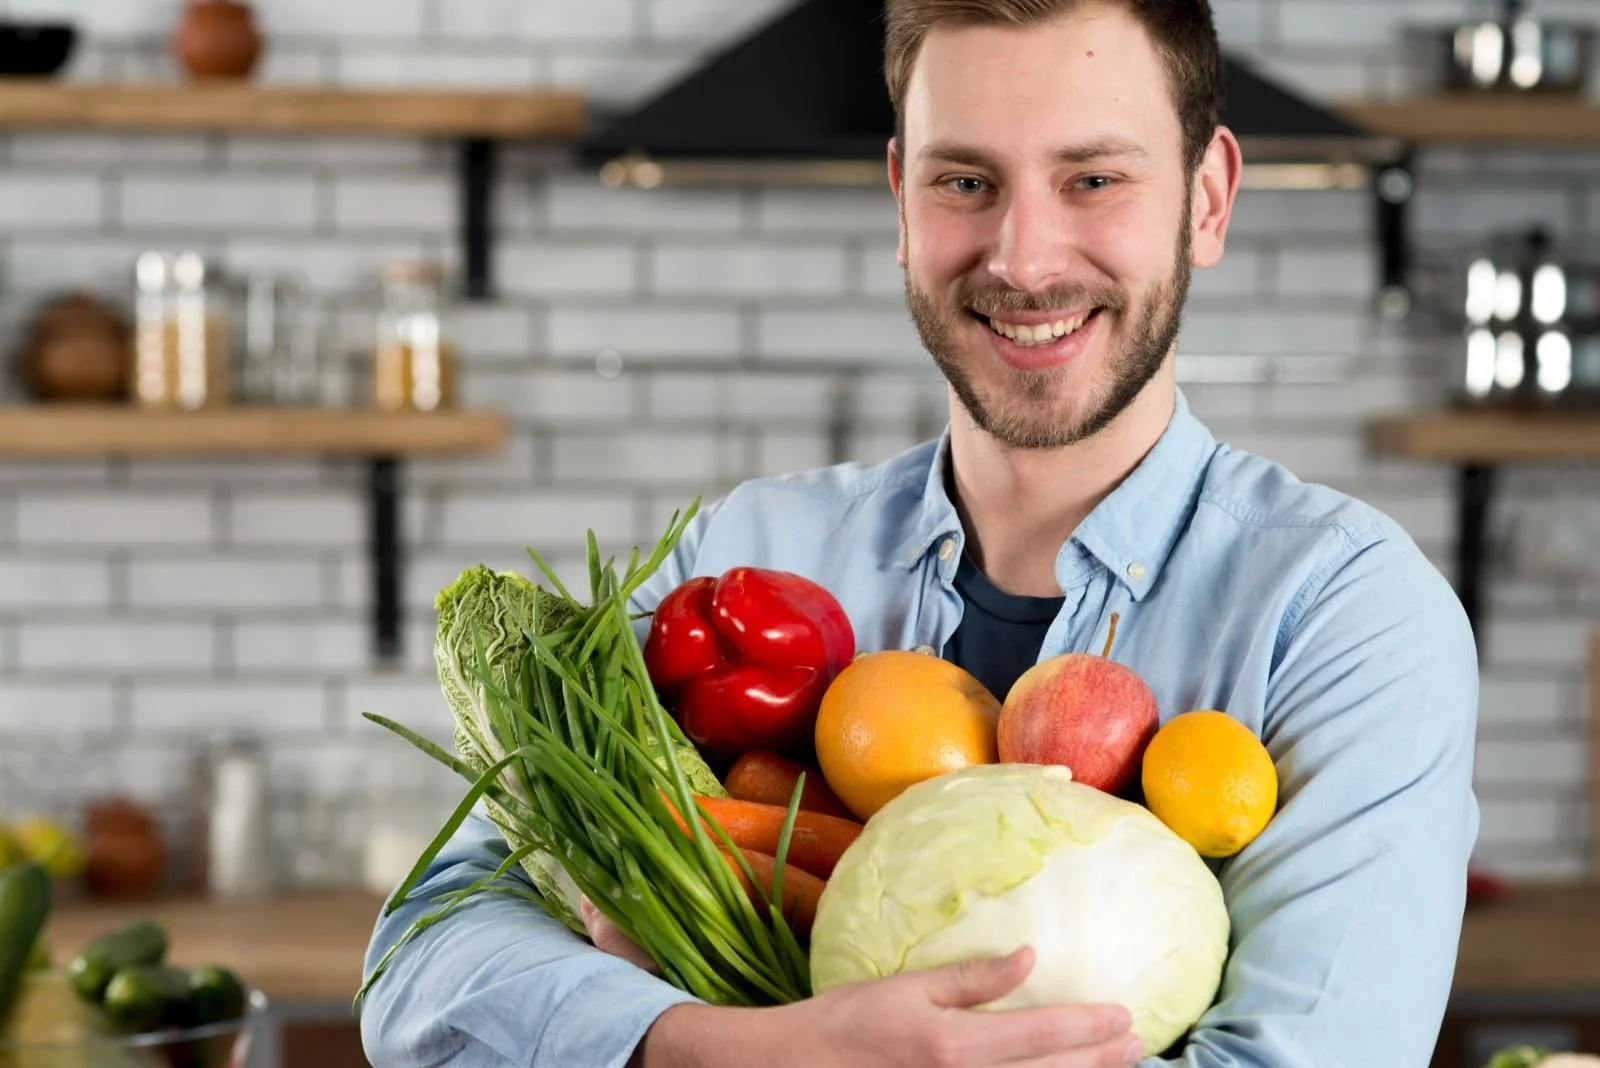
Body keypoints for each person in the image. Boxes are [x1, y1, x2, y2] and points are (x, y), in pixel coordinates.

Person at [359, 0, 1480, 1064]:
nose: (1023, 258)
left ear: (1207, 199)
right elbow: (424, 967)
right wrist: (744, 1056)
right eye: (964, 181)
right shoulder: (751, 553)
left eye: (1092, 178)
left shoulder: (1339, 613)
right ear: (901, 200)